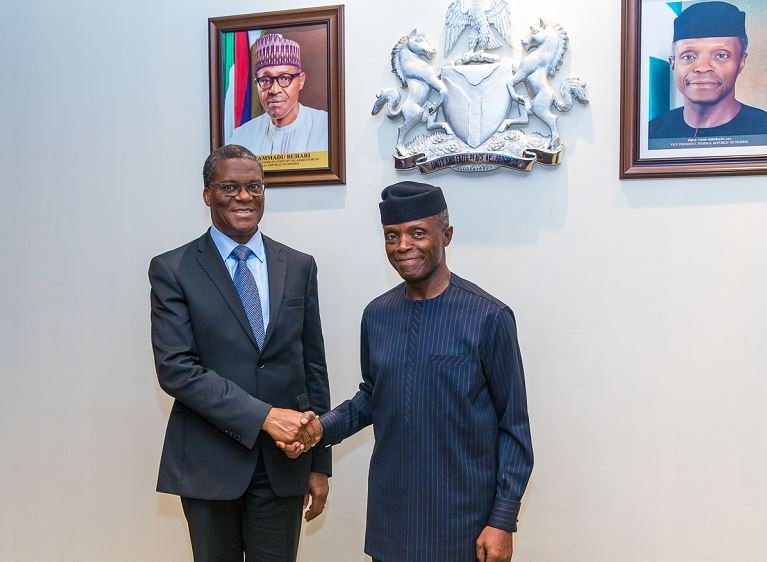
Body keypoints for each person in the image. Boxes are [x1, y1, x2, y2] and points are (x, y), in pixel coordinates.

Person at [281, 181, 534, 562]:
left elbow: (513, 428)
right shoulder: (377, 315)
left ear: (446, 235)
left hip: (465, 525)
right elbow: (373, 395)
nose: (403, 246)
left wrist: (502, 520)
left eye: (418, 233)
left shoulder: (488, 317)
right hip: (391, 523)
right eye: (392, 236)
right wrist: (321, 429)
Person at [149, 144, 331, 561]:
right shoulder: (173, 268)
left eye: (254, 187)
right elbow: (177, 369)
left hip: (285, 466)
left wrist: (320, 462)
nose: (244, 196)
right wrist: (265, 417)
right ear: (207, 194)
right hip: (209, 462)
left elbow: (312, 368)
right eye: (229, 186)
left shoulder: (299, 265)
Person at [649, 1, 767, 139]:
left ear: (741, 62)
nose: (702, 67)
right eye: (688, 56)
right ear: (673, 63)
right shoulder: (651, 133)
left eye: (721, 55)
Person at [228, 33, 329, 155]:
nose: (274, 90)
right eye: (265, 80)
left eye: (285, 78)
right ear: (256, 84)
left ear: (301, 81)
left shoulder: (327, 128)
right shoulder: (242, 138)